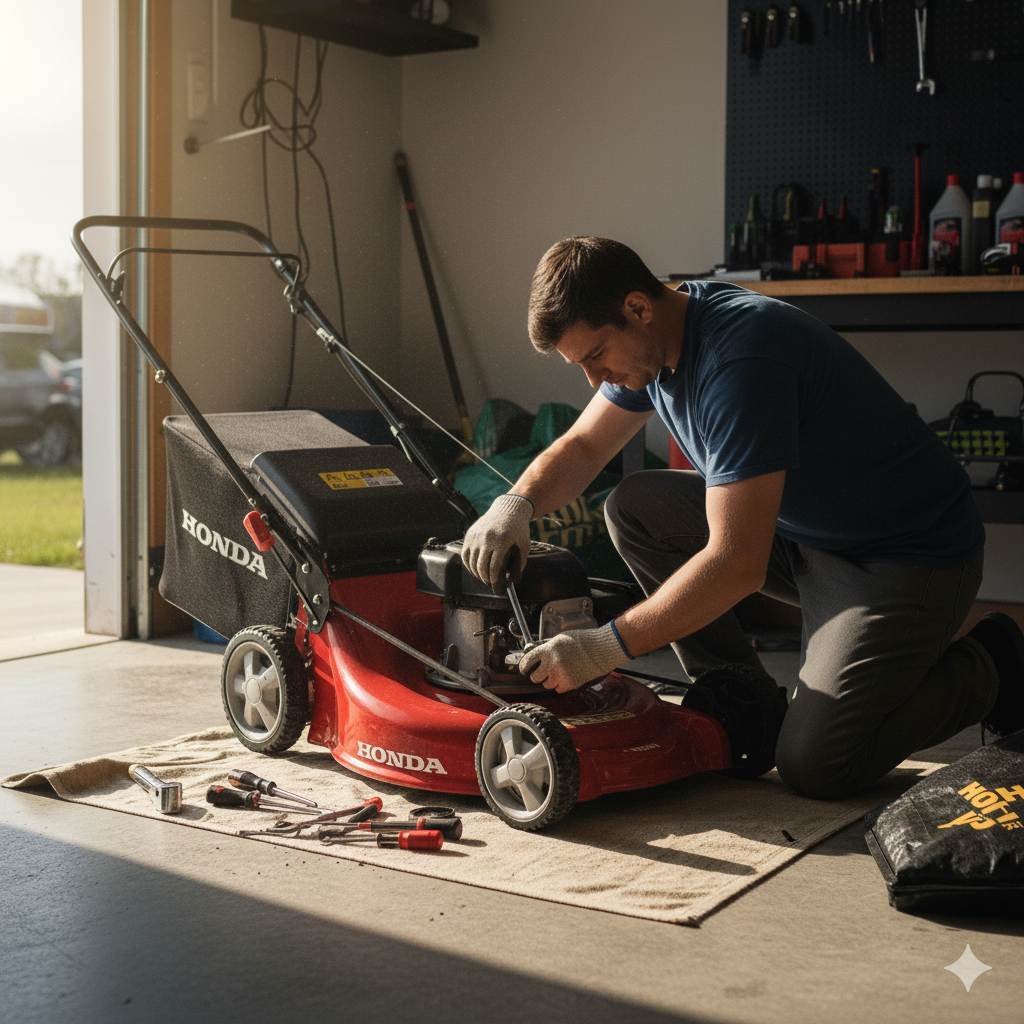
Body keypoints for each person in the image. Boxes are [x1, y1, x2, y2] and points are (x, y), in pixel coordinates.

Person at [461, 236, 1024, 799]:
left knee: (818, 764)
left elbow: (736, 564)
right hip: (805, 533)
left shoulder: (740, 356)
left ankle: (993, 662)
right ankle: (741, 704)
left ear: (637, 308)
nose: (594, 379)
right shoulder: (655, 343)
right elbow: (585, 446)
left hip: (903, 559)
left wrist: (603, 646)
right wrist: (515, 504)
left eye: (594, 356)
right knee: (636, 508)